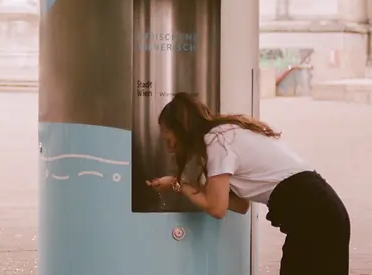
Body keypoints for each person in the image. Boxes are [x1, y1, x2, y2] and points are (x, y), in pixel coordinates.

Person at [146, 92, 350, 275]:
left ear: (182, 129)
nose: (167, 145)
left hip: (314, 217)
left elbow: (217, 208)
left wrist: (177, 184)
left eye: (167, 137)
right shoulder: (226, 134)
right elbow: (240, 205)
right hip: (322, 211)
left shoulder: (217, 141)